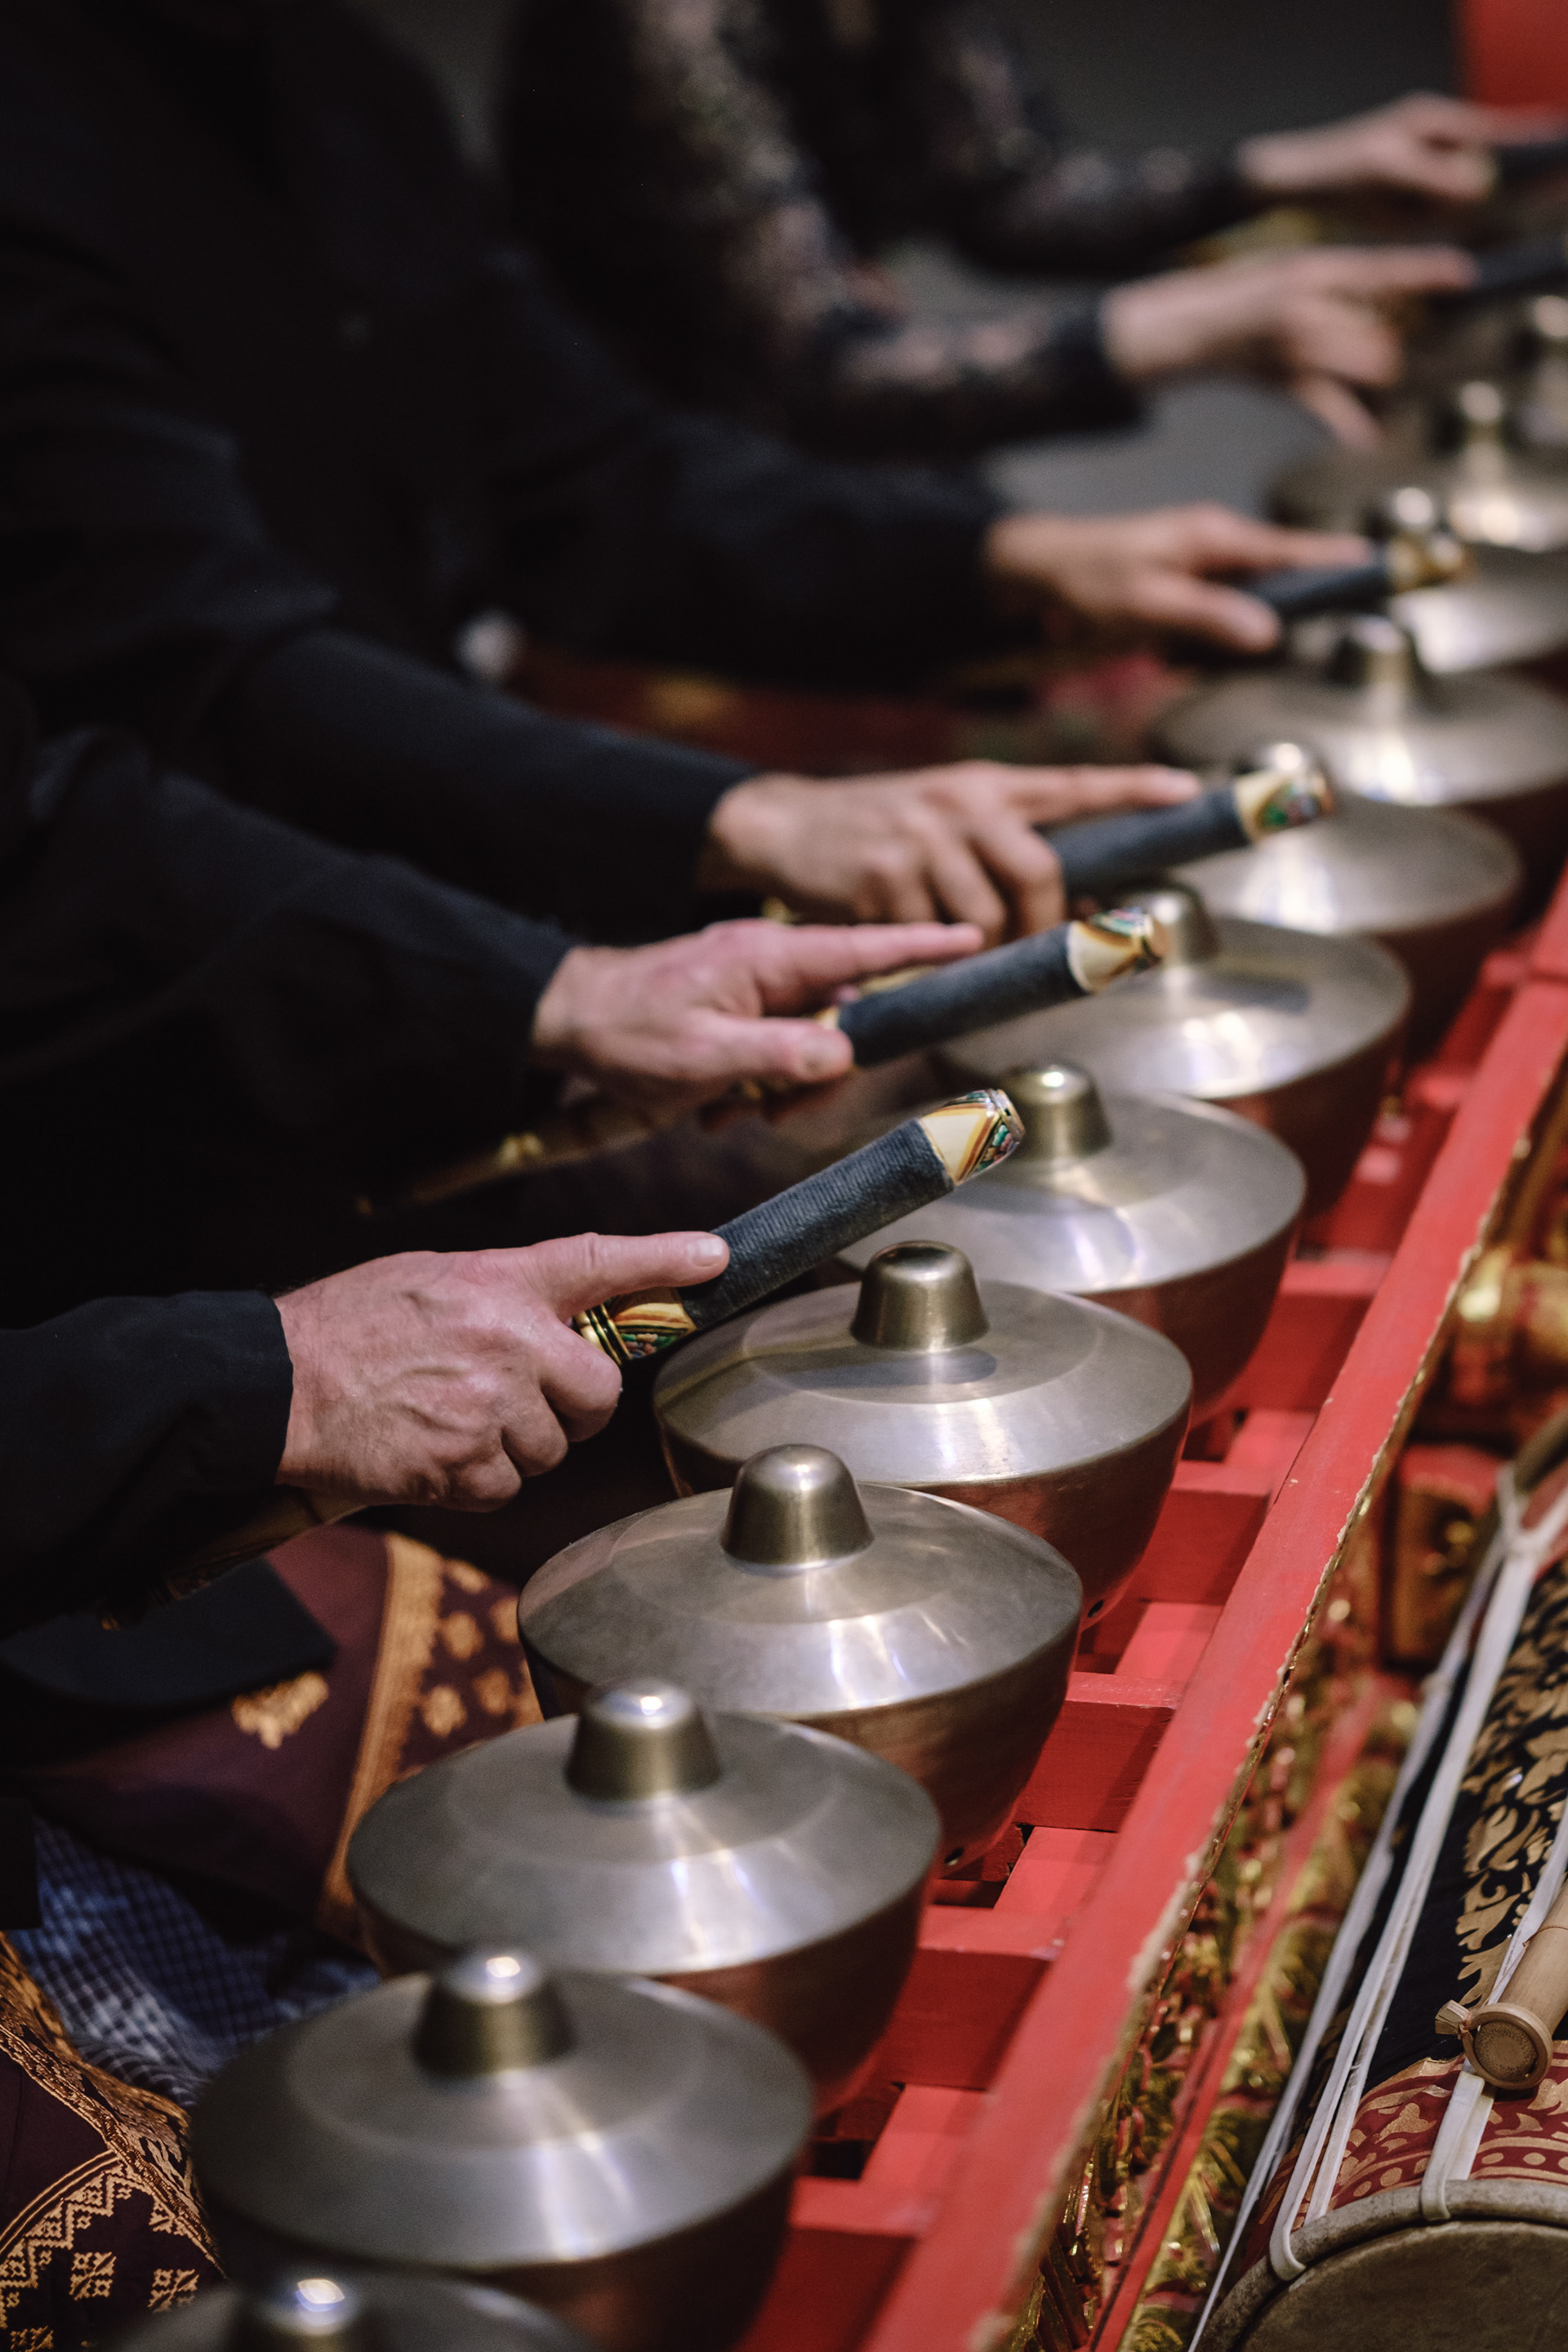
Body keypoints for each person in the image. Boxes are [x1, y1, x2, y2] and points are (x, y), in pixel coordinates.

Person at [0, 0, 1361, 948]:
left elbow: (592, 481)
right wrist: (740, 824)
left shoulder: (331, 68)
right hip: (206, 966)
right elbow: (214, 684)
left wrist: (1015, 564)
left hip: (426, 850)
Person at [503, 7, 1553, 457]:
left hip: (837, 441)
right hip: (661, 493)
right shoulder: (662, 24)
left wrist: (1298, 172)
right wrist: (1197, 324)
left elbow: (1005, 192)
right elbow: (824, 376)